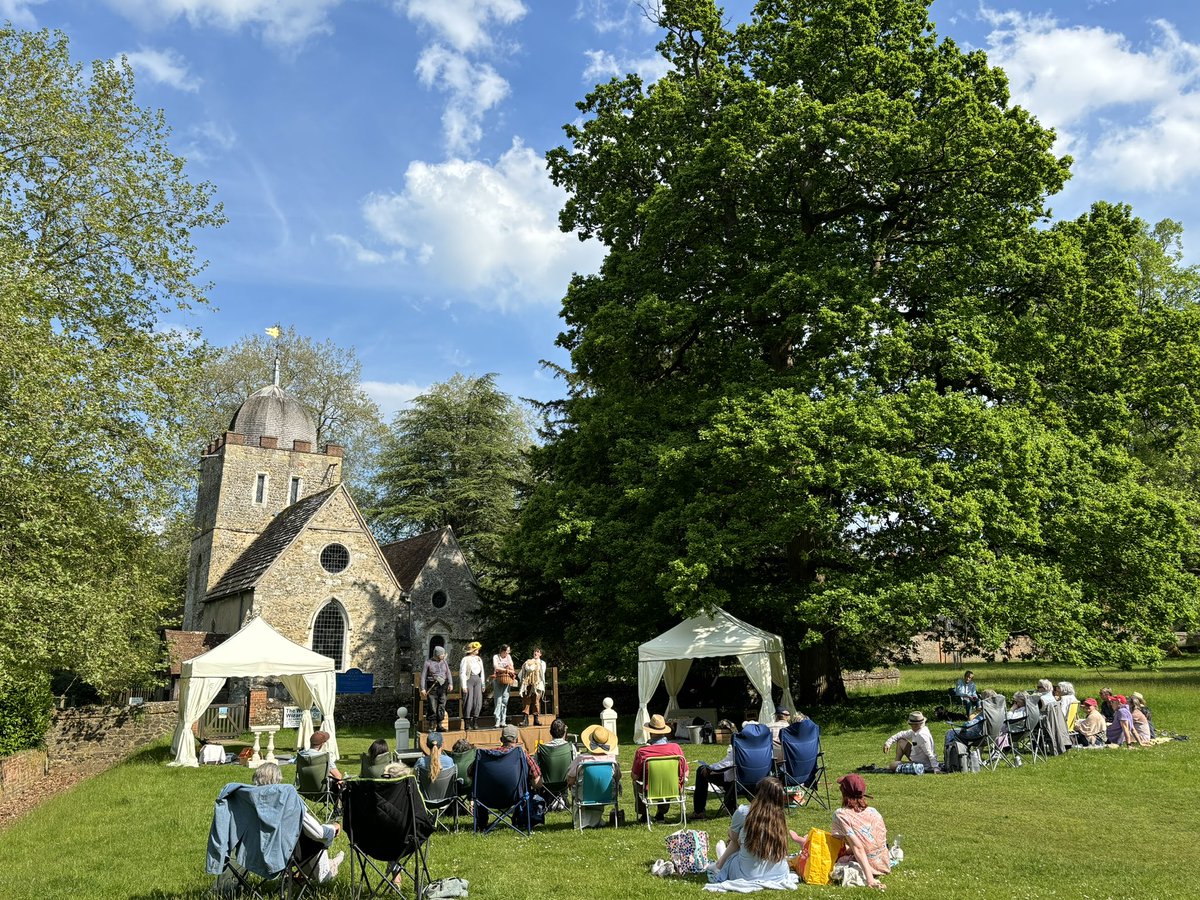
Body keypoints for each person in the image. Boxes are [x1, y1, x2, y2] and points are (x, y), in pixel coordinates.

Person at [252, 762, 345, 883]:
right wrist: (334, 827)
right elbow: (318, 833)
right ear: (278, 781)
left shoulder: (248, 804)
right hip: (289, 854)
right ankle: (331, 866)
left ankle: (328, 863)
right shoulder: (288, 801)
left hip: (257, 852)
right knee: (318, 838)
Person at [708, 776, 795, 886]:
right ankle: (720, 862)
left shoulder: (743, 811)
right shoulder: (780, 817)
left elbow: (733, 838)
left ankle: (720, 863)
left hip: (746, 874)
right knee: (744, 839)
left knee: (737, 840)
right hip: (778, 874)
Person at [471, 724, 542, 830]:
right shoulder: (523, 755)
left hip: (487, 798)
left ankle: (481, 823)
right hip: (515, 797)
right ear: (517, 740)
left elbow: (470, 773)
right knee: (527, 790)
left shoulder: (485, 757)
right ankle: (519, 820)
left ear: (501, 739)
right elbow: (537, 783)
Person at [830, 773, 890, 891]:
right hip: (883, 864)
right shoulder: (873, 811)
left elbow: (858, 847)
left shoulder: (841, 815)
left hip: (869, 866)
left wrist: (870, 879)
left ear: (843, 792)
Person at [632, 714, 689, 822]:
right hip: (672, 788)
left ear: (651, 731)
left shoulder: (643, 752)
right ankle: (661, 813)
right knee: (669, 779)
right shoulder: (676, 749)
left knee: (636, 782)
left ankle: (644, 815)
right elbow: (685, 772)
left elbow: (634, 776)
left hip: (649, 790)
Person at [566, 724, 620, 828]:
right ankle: (594, 820)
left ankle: (583, 821)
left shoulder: (581, 760)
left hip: (584, 795)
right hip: (607, 794)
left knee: (575, 787)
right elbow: (618, 777)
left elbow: (570, 780)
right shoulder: (612, 761)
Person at [693, 722, 742, 819]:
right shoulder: (765, 747)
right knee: (732, 775)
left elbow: (727, 763)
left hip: (737, 781)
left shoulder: (741, 747)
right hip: (755, 781)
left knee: (701, 770)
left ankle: (699, 811)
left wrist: (710, 768)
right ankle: (730, 806)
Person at [420, 645, 453, 732]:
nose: (443, 656)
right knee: (432, 706)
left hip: (443, 686)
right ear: (437, 654)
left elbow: (448, 673)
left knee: (442, 705)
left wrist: (451, 683)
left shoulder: (444, 662)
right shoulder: (428, 662)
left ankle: (439, 725)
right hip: (432, 686)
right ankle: (431, 726)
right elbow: (423, 676)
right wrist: (423, 688)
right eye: (442, 654)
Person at [459, 640, 485, 729]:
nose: (478, 651)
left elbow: (482, 672)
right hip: (469, 679)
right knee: (468, 700)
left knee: (477, 700)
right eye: (477, 649)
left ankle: (475, 721)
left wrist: (483, 684)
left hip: (477, 679)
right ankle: (467, 722)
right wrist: (464, 685)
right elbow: (462, 672)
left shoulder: (479, 659)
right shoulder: (465, 659)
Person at [519, 648, 547, 726]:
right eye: (535, 651)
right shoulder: (527, 662)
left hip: (537, 684)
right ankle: (525, 720)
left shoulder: (542, 663)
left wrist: (533, 666)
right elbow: (524, 671)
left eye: (537, 652)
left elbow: (542, 672)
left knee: (536, 702)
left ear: (540, 654)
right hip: (527, 684)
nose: (535, 653)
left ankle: (536, 719)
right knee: (526, 701)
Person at [491, 644, 516, 727]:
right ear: (503, 651)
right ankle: (497, 720)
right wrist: (506, 669)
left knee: (505, 700)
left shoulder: (509, 657)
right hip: (498, 680)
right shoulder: (496, 657)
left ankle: (503, 720)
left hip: (506, 680)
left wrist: (507, 669)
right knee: (498, 700)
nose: (508, 652)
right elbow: (496, 667)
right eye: (507, 651)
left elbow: (512, 667)